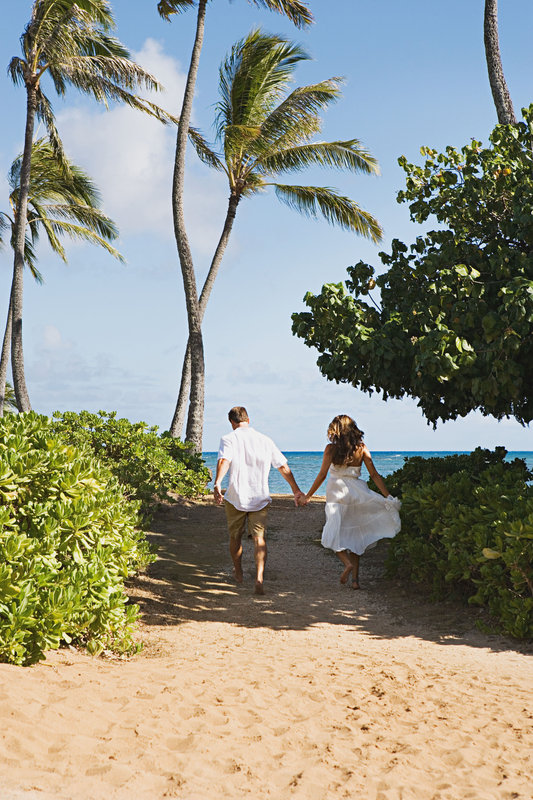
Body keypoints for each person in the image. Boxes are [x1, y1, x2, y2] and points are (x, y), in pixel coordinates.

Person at [299, 414, 401, 589]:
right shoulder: (361, 448)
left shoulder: (330, 449)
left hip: (336, 492)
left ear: (335, 430)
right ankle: (355, 580)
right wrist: (388, 497)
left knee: (332, 530)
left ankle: (347, 563)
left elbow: (322, 475)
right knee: (356, 536)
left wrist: (308, 496)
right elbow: (374, 475)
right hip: (357, 493)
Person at [214, 406, 304, 595]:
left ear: (232, 422)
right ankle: (259, 577)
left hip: (235, 496)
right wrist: (295, 489)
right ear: (248, 419)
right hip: (260, 497)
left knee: (235, 537)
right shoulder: (265, 440)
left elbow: (225, 461)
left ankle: (238, 572)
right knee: (259, 538)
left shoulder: (228, 439)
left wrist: (217, 483)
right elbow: (283, 466)